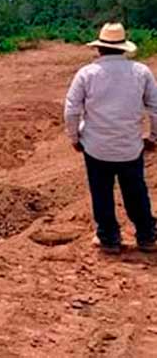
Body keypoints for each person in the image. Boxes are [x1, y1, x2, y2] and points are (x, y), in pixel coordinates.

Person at [64, 22, 157, 255]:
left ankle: (109, 239)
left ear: (99, 48)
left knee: (101, 192)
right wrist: (153, 137)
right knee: (136, 191)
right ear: (124, 48)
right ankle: (146, 236)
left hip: (95, 146)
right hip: (130, 146)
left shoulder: (86, 74)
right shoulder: (141, 72)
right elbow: (155, 108)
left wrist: (75, 138)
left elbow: (71, 110)